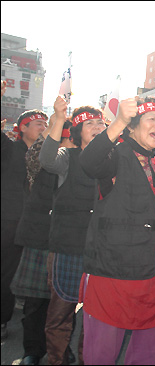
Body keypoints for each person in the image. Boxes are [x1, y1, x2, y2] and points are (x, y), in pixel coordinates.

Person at [79, 96, 155, 364]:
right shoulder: (115, 155)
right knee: (101, 350)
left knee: (149, 349)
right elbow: (89, 162)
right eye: (151, 119)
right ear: (133, 127)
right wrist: (118, 122)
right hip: (116, 274)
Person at [39, 97, 106, 365]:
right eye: (89, 123)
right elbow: (46, 160)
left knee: (95, 316)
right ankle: (57, 360)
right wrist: (57, 117)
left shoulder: (114, 160)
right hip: (67, 246)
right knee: (60, 314)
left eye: (100, 122)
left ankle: (86, 359)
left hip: (101, 250)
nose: (96, 126)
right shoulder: (68, 157)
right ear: (78, 132)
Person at [10, 118, 74, 365]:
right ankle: (32, 351)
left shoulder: (83, 161)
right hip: (40, 237)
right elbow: (38, 151)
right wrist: (57, 117)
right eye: (63, 139)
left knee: (65, 302)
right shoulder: (42, 161)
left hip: (68, 239)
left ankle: (61, 348)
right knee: (35, 303)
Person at [2, 78, 48, 341]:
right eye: (38, 124)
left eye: (45, 123)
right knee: (5, 272)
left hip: (36, 226)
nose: (43, 127)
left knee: (30, 279)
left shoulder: (50, 155)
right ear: (22, 128)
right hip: (8, 223)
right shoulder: (8, 150)